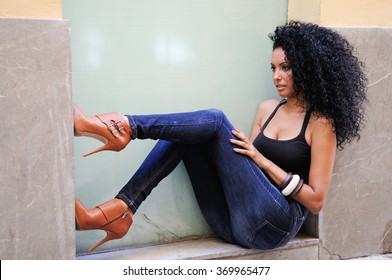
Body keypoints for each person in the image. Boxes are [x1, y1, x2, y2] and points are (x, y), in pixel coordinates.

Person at [73, 21, 367, 252]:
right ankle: (123, 209)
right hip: (232, 224)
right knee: (187, 132)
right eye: (273, 68)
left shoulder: (321, 123)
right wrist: (253, 162)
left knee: (214, 119)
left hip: (275, 226)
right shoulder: (267, 109)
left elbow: (316, 201)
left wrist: (263, 162)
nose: (276, 76)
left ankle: (124, 126)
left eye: (285, 67)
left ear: (308, 69)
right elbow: (246, 176)